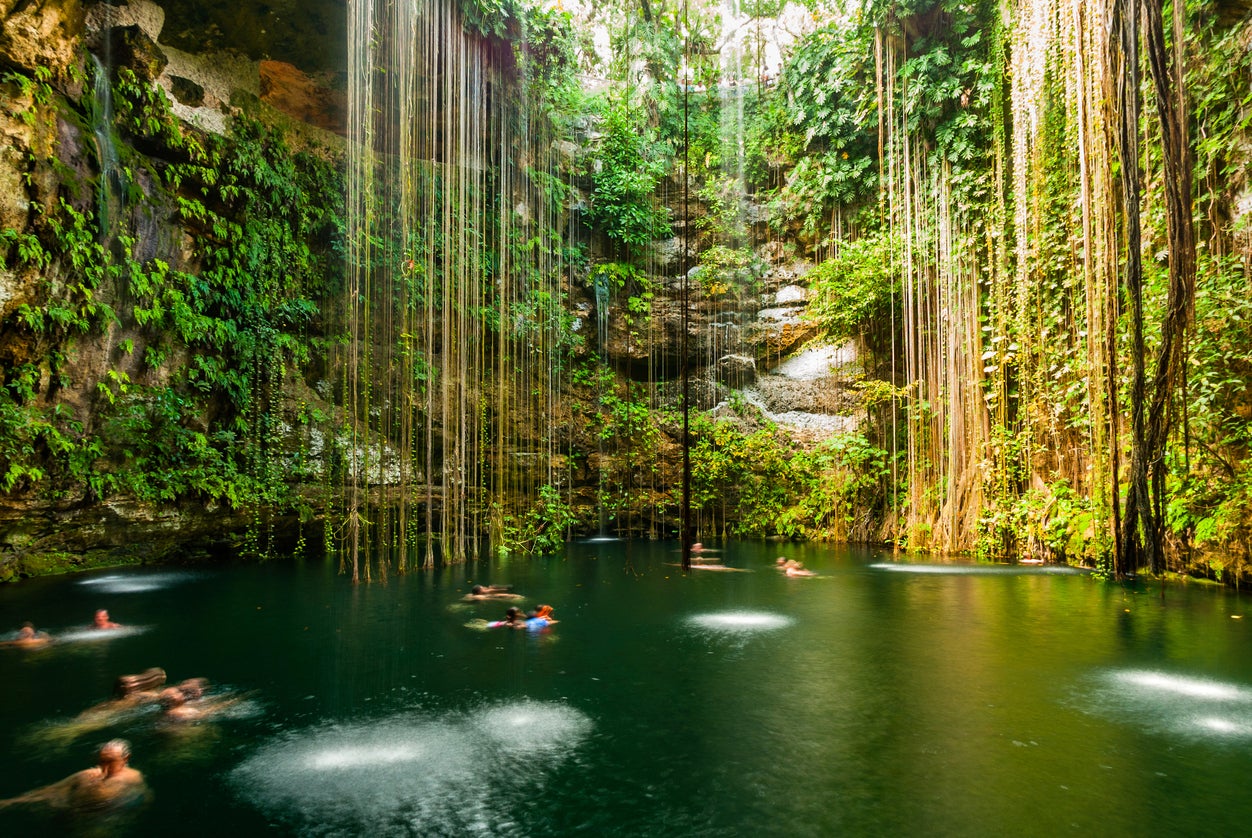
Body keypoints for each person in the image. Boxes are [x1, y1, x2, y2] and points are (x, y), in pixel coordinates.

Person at [0, 739, 148, 812]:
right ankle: (9, 802)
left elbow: (139, 799)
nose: (105, 766)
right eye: (102, 761)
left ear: (126, 758)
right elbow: (53, 789)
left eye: (110, 761)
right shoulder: (90, 773)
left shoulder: (132, 778)